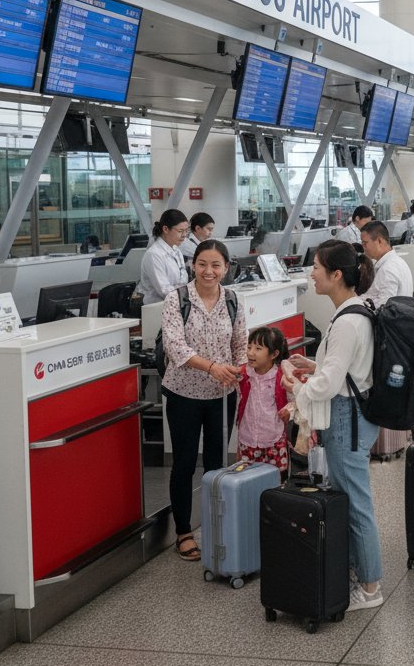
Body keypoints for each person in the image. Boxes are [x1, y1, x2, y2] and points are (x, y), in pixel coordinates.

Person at [281, 240, 384, 611]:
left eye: (317, 267)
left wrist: (297, 386)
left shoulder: (346, 320)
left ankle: (371, 587)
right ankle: (361, 573)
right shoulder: (357, 310)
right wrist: (314, 367)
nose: (311, 273)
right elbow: (344, 369)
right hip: (356, 413)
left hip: (345, 418)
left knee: (356, 503)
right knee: (354, 497)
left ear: (336, 275)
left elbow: (329, 384)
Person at [160, 239, 247, 561]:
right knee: (183, 463)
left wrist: (237, 369)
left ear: (226, 268)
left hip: (222, 394)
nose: (208, 271)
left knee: (216, 464)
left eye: (215, 265)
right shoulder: (177, 299)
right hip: (184, 393)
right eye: (202, 264)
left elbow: (241, 342)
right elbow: (175, 346)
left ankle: (214, 526)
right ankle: (183, 531)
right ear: (192, 265)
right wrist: (212, 367)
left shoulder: (233, 300)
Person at [237, 326, 292, 475]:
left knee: (274, 481)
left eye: (258, 348)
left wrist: (290, 410)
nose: (250, 353)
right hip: (247, 438)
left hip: (273, 439)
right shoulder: (243, 374)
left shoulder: (282, 376)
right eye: (249, 347)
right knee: (246, 481)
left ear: (274, 354)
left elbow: (295, 399)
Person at [137, 209, 190, 306]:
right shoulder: (154, 254)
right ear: (165, 229)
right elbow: (164, 290)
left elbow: (184, 279)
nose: (184, 235)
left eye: (186, 231)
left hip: (177, 302)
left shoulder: (176, 250)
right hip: (155, 307)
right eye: (180, 231)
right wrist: (185, 291)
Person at [360, 220, 413, 307]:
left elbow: (383, 307)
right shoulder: (397, 261)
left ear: (379, 241)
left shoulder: (388, 269)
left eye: (365, 243)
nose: (363, 247)